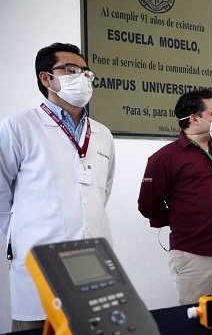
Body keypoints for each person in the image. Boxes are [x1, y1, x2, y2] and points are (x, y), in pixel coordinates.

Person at [0, 42, 116, 331]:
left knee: (95, 325)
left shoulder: (102, 134)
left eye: (87, 73)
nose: (83, 77)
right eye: (72, 69)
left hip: (94, 259)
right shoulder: (18, 127)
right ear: (46, 78)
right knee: (39, 327)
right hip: (40, 259)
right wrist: (23, 235)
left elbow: (102, 192)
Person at [138, 88, 212, 305]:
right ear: (194, 119)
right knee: (196, 321)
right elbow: (147, 204)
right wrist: (179, 219)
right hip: (194, 254)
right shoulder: (165, 158)